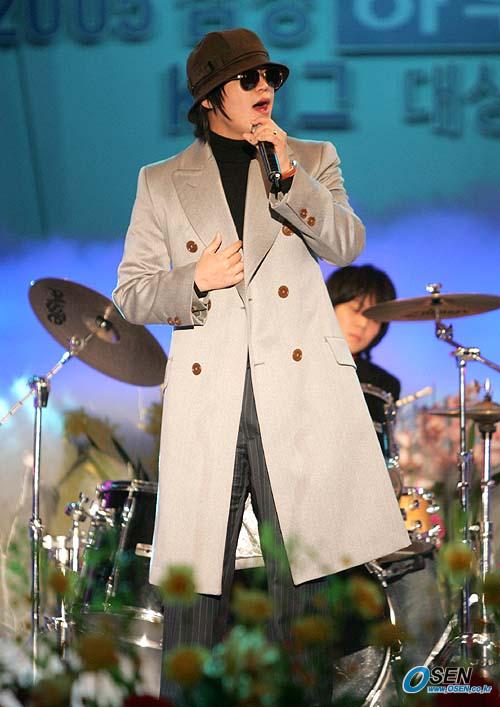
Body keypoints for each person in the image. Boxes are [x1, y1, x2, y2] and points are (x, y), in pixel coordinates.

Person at [113, 28, 409, 702]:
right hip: (208, 399)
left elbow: (346, 243)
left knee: (300, 585)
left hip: (296, 394)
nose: (265, 88)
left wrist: (289, 174)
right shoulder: (160, 181)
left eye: (270, 76)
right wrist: (194, 278)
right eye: (247, 79)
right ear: (210, 96)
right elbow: (131, 292)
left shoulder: (311, 156)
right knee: (195, 591)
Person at [326, 264, 446, 671]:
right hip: (315, 513)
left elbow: (387, 455)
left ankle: (419, 679)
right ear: (329, 304)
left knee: (419, 564)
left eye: (374, 317)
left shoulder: (384, 383)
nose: (364, 324)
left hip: (370, 511)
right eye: (354, 309)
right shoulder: (300, 367)